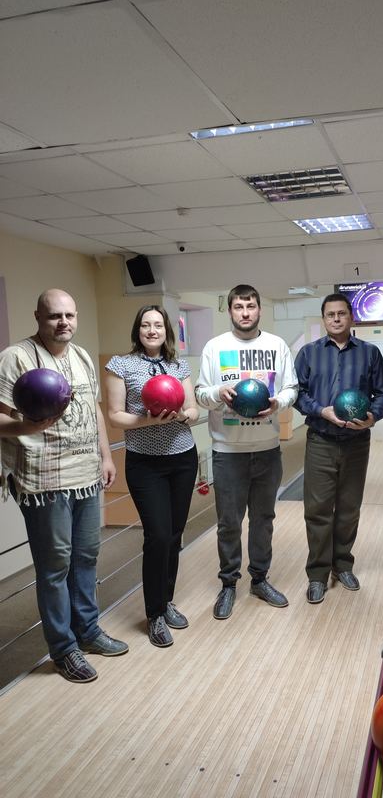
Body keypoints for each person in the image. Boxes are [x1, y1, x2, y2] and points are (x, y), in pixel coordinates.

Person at [0, 289, 128, 683]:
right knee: (55, 567)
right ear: (38, 316)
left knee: (86, 558)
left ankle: (88, 631)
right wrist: (28, 427)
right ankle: (63, 649)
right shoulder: (15, 358)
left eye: (69, 315)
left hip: (86, 477)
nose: (63, 322)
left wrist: (106, 457)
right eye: (55, 315)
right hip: (43, 483)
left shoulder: (83, 356)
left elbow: (94, 411)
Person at [195, 284, 298, 620]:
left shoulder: (276, 345)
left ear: (259, 309)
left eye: (250, 306)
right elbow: (200, 394)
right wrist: (218, 392)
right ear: (230, 311)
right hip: (227, 451)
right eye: (238, 306)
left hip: (267, 449)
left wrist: (278, 403)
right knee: (228, 523)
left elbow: (291, 388)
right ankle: (228, 584)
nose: (245, 312)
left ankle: (260, 580)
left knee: (263, 520)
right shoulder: (215, 347)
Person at [104, 306, 199, 648]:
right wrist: (148, 421)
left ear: (166, 330)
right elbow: (115, 416)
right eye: (145, 324)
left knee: (173, 535)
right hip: (145, 464)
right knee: (157, 535)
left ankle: (166, 600)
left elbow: (193, 409)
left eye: (158, 324)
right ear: (138, 330)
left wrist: (182, 416)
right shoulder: (120, 365)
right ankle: (154, 614)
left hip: (183, 459)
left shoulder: (178, 365)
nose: (152, 330)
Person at [294, 293, 383, 604]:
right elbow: (298, 393)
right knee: (318, 510)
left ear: (352, 317)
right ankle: (317, 574)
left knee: (349, 509)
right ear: (324, 319)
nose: (336, 319)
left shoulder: (369, 353)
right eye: (330, 314)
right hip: (321, 439)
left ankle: (343, 565)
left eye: (341, 313)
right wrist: (321, 411)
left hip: (356, 443)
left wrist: (373, 417)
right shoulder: (309, 353)